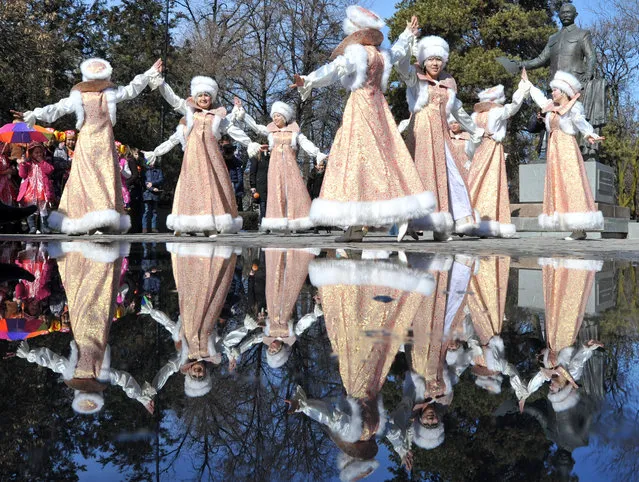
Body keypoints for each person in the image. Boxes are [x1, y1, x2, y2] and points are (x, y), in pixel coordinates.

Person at [291, 8, 436, 242]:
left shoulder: (358, 54)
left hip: (360, 108)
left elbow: (334, 70)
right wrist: (408, 33)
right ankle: (396, 214)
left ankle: (358, 223)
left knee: (356, 162)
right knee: (389, 159)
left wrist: (307, 79)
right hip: (379, 107)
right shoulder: (381, 54)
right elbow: (399, 51)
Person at [15, 57, 163, 234]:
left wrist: (149, 74)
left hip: (105, 142)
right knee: (84, 179)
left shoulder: (110, 94)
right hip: (86, 143)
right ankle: (81, 220)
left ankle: (102, 221)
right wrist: (34, 114)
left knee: (104, 178)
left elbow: (131, 89)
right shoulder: (79, 96)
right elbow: (57, 108)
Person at [395, 34, 484, 241]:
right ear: (423, 61)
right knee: (420, 175)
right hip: (421, 133)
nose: (435, 63)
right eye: (430, 59)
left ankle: (442, 224)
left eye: (438, 59)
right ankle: (410, 220)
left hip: (441, 133)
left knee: (449, 175)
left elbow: (458, 110)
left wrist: (474, 130)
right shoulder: (415, 77)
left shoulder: (448, 82)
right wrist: (408, 37)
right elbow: (401, 65)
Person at [155, 75, 261, 236]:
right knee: (190, 186)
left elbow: (233, 130)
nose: (204, 98)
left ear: (211, 97)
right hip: (192, 157)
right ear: (195, 97)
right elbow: (173, 99)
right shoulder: (189, 111)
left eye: (207, 95)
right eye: (200, 95)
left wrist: (250, 142)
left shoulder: (217, 116)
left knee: (211, 187)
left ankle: (211, 224)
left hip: (211, 157)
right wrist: (160, 83)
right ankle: (184, 223)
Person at [521, 69, 604, 240]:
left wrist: (590, 134)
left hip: (566, 147)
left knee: (571, 182)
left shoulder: (573, 107)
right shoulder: (551, 108)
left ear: (564, 91)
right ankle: (571, 225)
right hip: (554, 148)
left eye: (555, 90)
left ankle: (579, 227)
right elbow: (539, 97)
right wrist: (528, 85)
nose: (552, 93)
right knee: (558, 184)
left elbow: (581, 122)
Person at [232, 100, 327, 232]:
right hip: (275, 166)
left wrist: (317, 153)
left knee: (293, 191)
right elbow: (257, 127)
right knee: (277, 191)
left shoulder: (294, 131)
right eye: (274, 116)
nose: (275, 118)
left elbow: (305, 142)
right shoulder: (272, 131)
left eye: (277, 116)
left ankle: (296, 221)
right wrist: (242, 113)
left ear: (284, 117)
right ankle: (278, 221)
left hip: (290, 166)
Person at [467, 82, 530, 238]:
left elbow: (471, 136)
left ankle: (470, 219)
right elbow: (513, 107)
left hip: (480, 150)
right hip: (491, 148)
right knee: (491, 183)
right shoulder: (496, 112)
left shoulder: (476, 116)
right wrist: (521, 90)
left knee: (476, 182)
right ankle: (487, 221)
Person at [16, 142, 54, 234]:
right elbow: (22, 174)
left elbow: (50, 170)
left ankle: (44, 226)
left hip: (42, 190)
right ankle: (32, 227)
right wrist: (23, 164)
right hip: (30, 190)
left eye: (40, 152)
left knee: (43, 208)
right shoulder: (28, 164)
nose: (39, 154)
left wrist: (42, 162)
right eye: (36, 152)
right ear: (31, 153)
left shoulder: (44, 163)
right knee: (31, 208)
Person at [219, 134, 245, 212]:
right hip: (222, 180)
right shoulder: (218, 153)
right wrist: (222, 154)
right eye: (225, 144)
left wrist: (232, 155)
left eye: (228, 144)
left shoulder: (234, 156)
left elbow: (240, 164)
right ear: (220, 143)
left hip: (233, 180)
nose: (227, 147)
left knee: (236, 205)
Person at [141, 156, 164, 233]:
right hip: (147, 193)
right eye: (151, 161)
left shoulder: (158, 170)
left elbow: (161, 179)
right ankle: (144, 228)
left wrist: (153, 184)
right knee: (146, 211)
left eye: (153, 161)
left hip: (155, 194)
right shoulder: (145, 171)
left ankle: (154, 227)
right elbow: (144, 183)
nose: (152, 162)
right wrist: (152, 188)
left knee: (154, 211)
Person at [448, 118, 471, 184]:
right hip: (451, 165)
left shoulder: (468, 136)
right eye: (451, 123)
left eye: (455, 123)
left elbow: (472, 151)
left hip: (465, 165)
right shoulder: (447, 136)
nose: (453, 125)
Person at [0, 142, 17, 206]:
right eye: (2, 144)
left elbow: (12, 170)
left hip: (7, 182)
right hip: (1, 183)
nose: (4, 146)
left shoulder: (5, 157)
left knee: (8, 198)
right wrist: (6, 172)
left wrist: (12, 170)